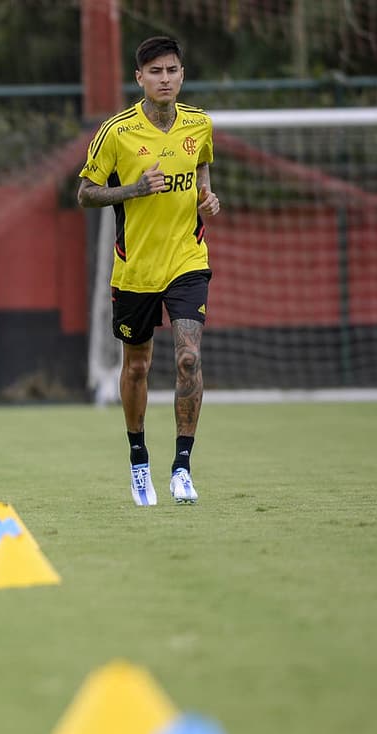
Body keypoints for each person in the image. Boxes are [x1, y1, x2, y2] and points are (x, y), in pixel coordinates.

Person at [76, 36, 220, 505]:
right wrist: (134, 190)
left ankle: (182, 467)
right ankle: (139, 461)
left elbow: (201, 169)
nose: (165, 79)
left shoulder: (200, 125)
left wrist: (207, 196)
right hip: (135, 268)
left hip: (187, 258)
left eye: (172, 71)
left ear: (182, 75)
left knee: (187, 358)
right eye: (155, 72)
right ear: (139, 78)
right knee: (136, 366)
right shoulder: (116, 132)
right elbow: (85, 193)